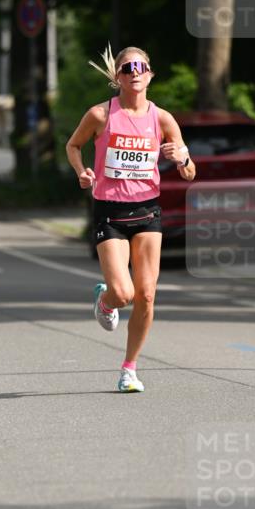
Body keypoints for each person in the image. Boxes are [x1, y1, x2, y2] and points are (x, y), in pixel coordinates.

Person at [65, 44, 196, 393]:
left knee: (148, 295)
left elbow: (189, 173)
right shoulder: (100, 115)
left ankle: (129, 368)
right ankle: (106, 299)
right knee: (124, 294)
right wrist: (82, 172)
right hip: (110, 212)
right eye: (127, 68)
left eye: (140, 67)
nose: (134, 72)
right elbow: (73, 145)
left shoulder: (163, 119)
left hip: (148, 210)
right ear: (117, 77)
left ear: (150, 74)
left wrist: (181, 158)